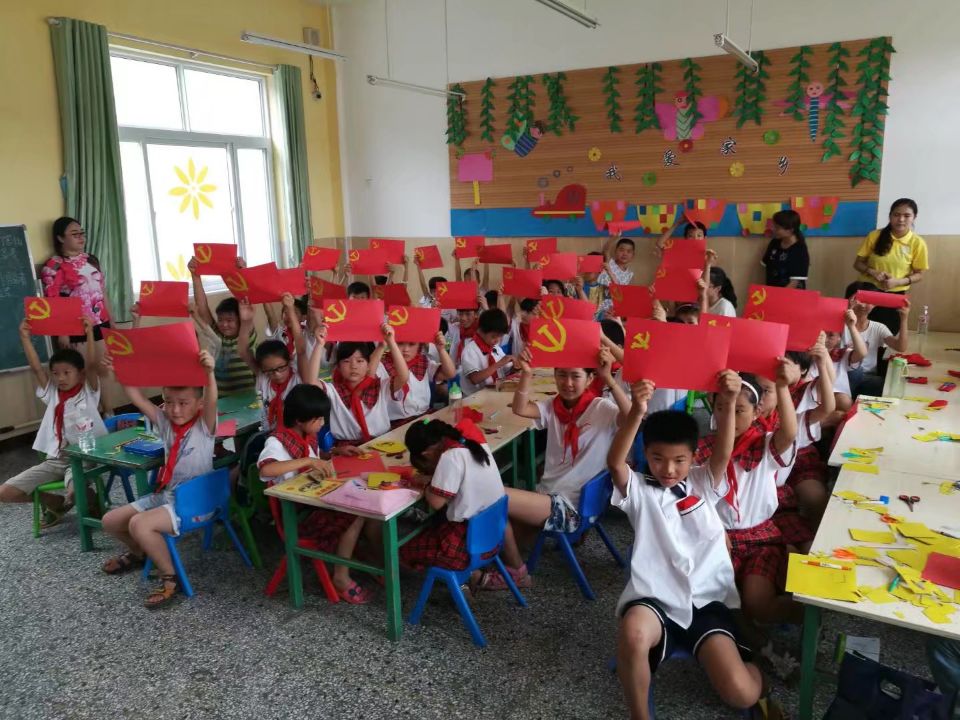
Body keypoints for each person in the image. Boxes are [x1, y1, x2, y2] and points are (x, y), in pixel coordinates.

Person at [611, 375, 775, 720]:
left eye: (679, 460)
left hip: (706, 600)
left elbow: (724, 451)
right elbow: (615, 463)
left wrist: (728, 400)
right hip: (655, 597)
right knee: (634, 632)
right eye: (657, 458)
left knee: (741, 693)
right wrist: (638, 410)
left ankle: (760, 670)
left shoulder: (703, 481)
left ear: (693, 456)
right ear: (646, 454)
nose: (668, 469)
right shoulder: (638, 490)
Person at [488, 346, 630, 588]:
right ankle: (498, 563)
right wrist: (526, 373)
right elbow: (520, 408)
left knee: (492, 495)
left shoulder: (602, 408)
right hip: (551, 496)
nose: (568, 383)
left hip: (571, 508)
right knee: (501, 528)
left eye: (575, 376)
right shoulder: (554, 406)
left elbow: (631, 417)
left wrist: (609, 379)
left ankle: (518, 574)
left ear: (590, 379)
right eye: (562, 375)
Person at [99, 350, 218, 608]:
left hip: (195, 502)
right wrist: (121, 372)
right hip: (169, 495)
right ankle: (141, 553)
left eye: (183, 403)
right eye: (168, 401)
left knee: (139, 524)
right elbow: (137, 398)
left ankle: (170, 576)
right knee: (110, 521)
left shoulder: (204, 426)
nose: (175, 409)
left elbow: (212, 399)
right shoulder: (165, 423)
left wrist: (209, 373)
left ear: (198, 404)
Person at [695, 369, 801, 625]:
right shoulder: (701, 449)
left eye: (739, 410)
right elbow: (694, 498)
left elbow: (789, 433)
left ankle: (807, 612)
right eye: (722, 408)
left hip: (760, 539)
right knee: (712, 602)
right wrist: (715, 529)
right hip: (717, 538)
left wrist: (782, 386)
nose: (729, 416)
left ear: (756, 412)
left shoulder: (764, 446)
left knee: (756, 603)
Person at [257, 384, 376, 603]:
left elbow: (314, 455)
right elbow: (266, 469)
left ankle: (363, 558)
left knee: (368, 501)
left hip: (314, 502)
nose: (322, 424)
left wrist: (336, 452)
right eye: (318, 419)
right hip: (296, 517)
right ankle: (341, 577)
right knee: (357, 512)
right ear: (299, 420)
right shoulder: (276, 442)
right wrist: (309, 461)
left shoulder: (306, 434)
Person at [1, 318, 106, 526]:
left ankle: (92, 502)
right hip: (55, 459)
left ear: (80, 374)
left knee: (75, 492)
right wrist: (24, 337)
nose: (60, 378)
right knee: (5, 492)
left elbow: (92, 366)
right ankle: (55, 503)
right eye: (56, 374)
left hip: (83, 458)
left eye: (67, 373)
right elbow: (36, 369)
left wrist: (89, 335)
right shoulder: (53, 394)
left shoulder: (88, 391)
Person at [398, 418, 527, 586]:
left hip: (468, 547)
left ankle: (469, 576)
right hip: (493, 537)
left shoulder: (450, 457)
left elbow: (436, 503)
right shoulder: (470, 442)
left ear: (426, 454)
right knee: (433, 528)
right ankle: (470, 577)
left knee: (402, 550)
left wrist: (426, 483)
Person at [306, 324, 407, 445]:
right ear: (338, 367)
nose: (353, 366)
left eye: (360, 361)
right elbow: (311, 382)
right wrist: (319, 344)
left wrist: (391, 342)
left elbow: (403, 377)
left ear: (368, 366)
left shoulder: (380, 386)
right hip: (347, 447)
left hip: (383, 442)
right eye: (346, 361)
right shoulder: (334, 391)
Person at [853, 198, 928, 335]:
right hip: (868, 292)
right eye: (896, 214)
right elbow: (858, 263)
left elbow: (919, 274)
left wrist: (898, 282)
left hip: (895, 296)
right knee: (859, 332)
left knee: (888, 335)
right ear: (890, 216)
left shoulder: (917, 242)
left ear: (914, 217)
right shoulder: (875, 236)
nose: (901, 219)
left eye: (907, 215)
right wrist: (872, 272)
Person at [40, 217, 112, 349]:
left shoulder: (91, 259)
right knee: (83, 362)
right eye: (75, 234)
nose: (81, 237)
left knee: (104, 362)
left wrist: (111, 320)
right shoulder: (53, 265)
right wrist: (62, 332)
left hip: (101, 322)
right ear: (60, 238)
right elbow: (54, 302)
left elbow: (102, 292)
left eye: (82, 233)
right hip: (76, 327)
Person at [189, 256, 256, 396]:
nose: (224, 324)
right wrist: (195, 276)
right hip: (221, 399)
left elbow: (247, 300)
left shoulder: (245, 333)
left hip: (247, 397)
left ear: (240, 319)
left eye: (230, 320)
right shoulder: (217, 334)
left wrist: (243, 272)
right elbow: (202, 307)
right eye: (220, 320)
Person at [237, 296, 302, 431]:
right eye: (270, 371)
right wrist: (245, 322)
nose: (276, 374)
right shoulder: (264, 377)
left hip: (293, 436)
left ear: (289, 361)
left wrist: (290, 309)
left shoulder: (298, 376)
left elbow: (302, 350)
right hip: (270, 434)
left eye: (281, 368)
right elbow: (243, 351)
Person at [843, 282, 910, 397]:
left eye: (868, 301)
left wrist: (904, 319)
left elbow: (901, 347)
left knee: (889, 386)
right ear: (848, 300)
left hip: (868, 378)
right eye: (858, 300)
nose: (863, 305)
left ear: (874, 304)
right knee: (854, 372)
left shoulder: (878, 327)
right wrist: (848, 310)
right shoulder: (839, 325)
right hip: (843, 375)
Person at [383, 330, 456, 425]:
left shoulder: (422, 361)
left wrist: (441, 350)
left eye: (412, 344)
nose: (406, 349)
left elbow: (450, 373)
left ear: (419, 346)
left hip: (425, 416)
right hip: (400, 422)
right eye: (400, 343)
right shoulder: (383, 366)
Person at [459, 308, 513, 397]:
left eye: (500, 336)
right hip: (475, 398)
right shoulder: (470, 350)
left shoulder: (495, 347)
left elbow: (504, 372)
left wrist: (516, 365)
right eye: (494, 336)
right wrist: (498, 364)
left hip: (494, 393)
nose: (497, 340)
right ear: (481, 331)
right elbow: (475, 379)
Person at [762, 210, 809, 288]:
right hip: (771, 291)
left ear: (790, 230)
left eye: (777, 228)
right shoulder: (774, 243)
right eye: (774, 226)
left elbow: (794, 282)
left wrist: (779, 295)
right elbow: (767, 267)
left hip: (790, 293)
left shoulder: (800, 250)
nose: (774, 230)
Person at [597, 237, 636, 317]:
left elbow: (625, 296)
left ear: (633, 255)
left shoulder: (630, 275)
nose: (625, 254)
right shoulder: (609, 262)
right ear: (615, 251)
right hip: (598, 301)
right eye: (621, 250)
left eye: (629, 251)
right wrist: (614, 237)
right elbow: (606, 250)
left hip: (613, 310)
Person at [701, 249, 737, 317]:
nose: (701, 286)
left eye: (708, 285)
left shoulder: (725, 307)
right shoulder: (700, 303)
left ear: (717, 289)